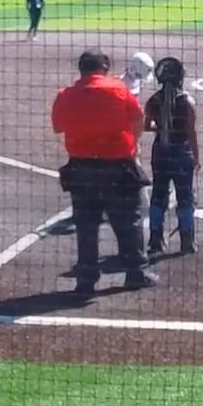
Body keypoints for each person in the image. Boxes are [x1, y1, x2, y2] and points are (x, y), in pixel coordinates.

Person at [51, 50, 155, 294]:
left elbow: (58, 127)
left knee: (86, 226)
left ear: (81, 69)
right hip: (118, 166)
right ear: (105, 69)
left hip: (81, 168)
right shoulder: (119, 90)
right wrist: (134, 144)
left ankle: (86, 280)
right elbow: (138, 118)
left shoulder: (65, 95)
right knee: (128, 221)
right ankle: (136, 273)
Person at [145, 56, 201, 257]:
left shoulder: (153, 101)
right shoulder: (187, 102)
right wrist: (196, 158)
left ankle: (155, 240)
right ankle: (187, 241)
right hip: (182, 154)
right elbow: (191, 133)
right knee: (185, 198)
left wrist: (162, 127)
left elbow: (147, 125)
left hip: (160, 153)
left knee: (158, 196)